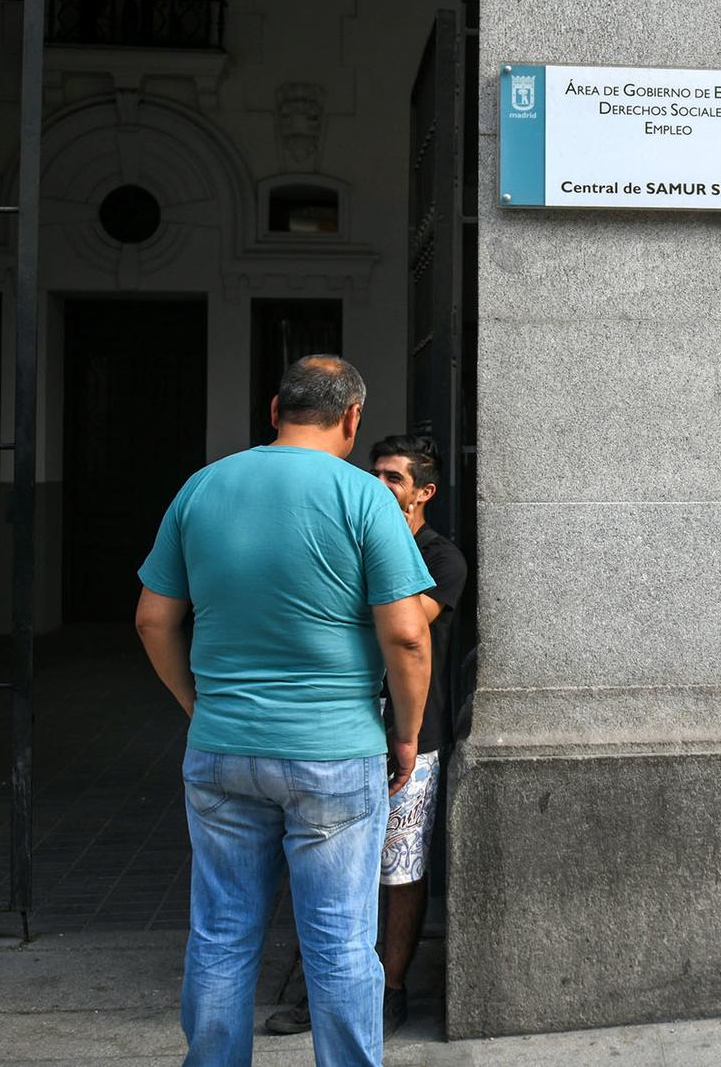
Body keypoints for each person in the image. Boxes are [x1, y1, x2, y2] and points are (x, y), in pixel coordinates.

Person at [134, 355, 434, 1067]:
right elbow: (407, 635)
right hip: (334, 749)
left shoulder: (202, 487)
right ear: (353, 418)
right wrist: (406, 734)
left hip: (222, 745)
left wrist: (197, 704)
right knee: (339, 941)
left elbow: (152, 620)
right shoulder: (365, 498)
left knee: (221, 933)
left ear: (275, 411)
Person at [265, 434, 467, 1040]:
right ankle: (324, 988)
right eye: (373, 473)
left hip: (413, 733)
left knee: (400, 869)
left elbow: (400, 625)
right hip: (339, 727)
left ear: (424, 492)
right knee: (327, 864)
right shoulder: (352, 541)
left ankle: (391, 988)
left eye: (393, 478)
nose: (378, 486)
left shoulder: (442, 559)